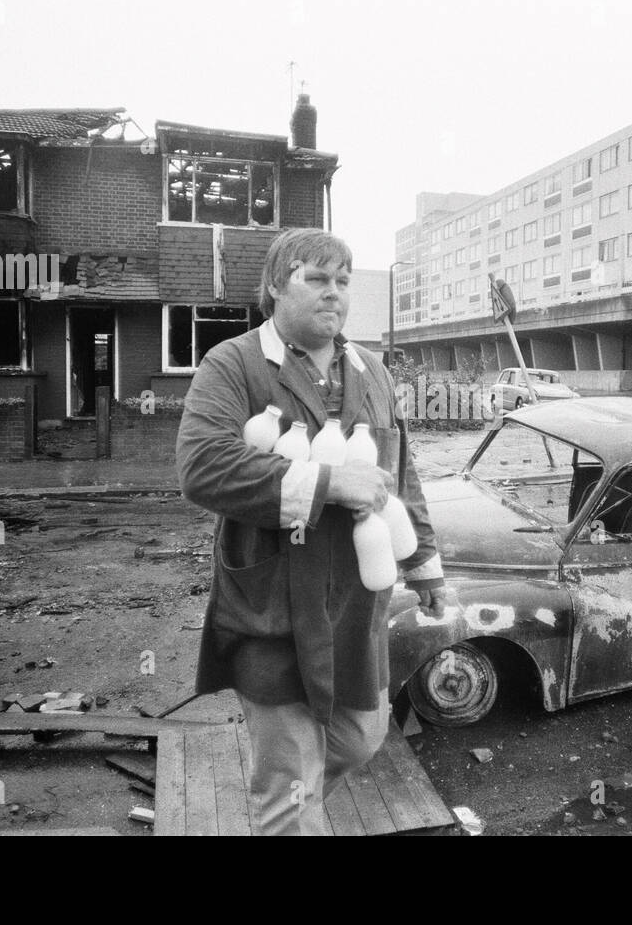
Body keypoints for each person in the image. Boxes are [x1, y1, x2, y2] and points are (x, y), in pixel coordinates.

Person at [176, 228, 449, 835]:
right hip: (272, 604)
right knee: (290, 781)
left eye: (343, 282)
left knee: (360, 738)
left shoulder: (371, 371)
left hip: (354, 604)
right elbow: (202, 467)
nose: (335, 294)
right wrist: (326, 482)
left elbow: (400, 477)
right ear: (275, 285)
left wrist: (425, 566)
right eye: (317, 279)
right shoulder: (234, 363)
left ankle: (293, 809)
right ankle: (287, 813)